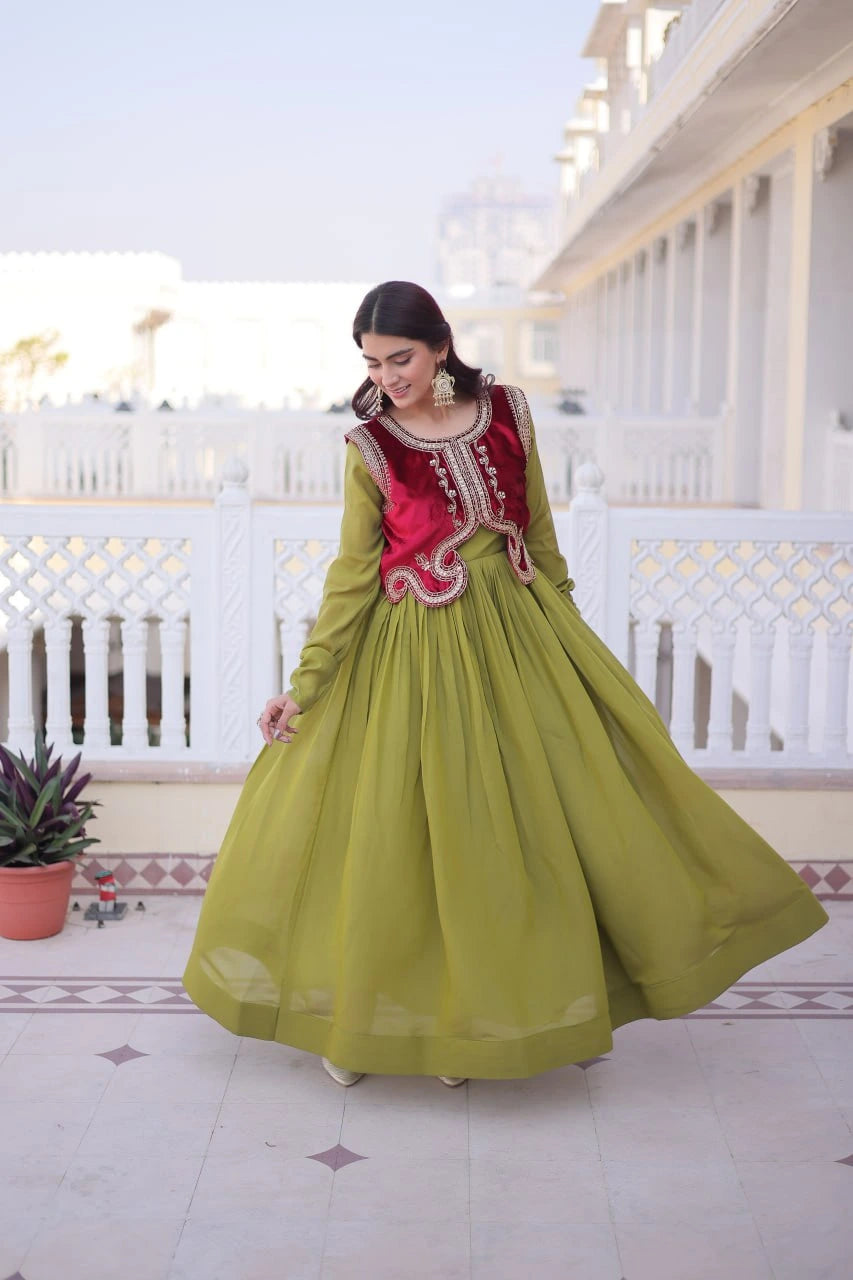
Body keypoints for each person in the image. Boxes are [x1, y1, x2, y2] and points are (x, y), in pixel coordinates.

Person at [182, 280, 829, 1089]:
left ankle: (493, 1020)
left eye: (401, 357)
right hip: (415, 652)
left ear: (441, 344)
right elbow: (351, 576)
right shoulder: (370, 449)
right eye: (373, 363)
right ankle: (368, 1029)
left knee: (534, 828)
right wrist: (305, 684)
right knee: (407, 837)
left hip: (521, 639)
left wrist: (567, 639)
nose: (387, 376)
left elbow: (543, 534)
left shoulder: (509, 415)